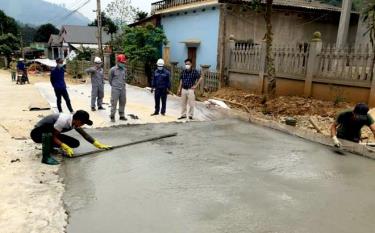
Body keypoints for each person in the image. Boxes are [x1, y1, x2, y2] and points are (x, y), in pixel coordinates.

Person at [30, 110, 111, 165]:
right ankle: (46, 158)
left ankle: (50, 148)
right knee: (49, 132)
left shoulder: (74, 122)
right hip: (37, 134)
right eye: (82, 123)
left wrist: (97, 144)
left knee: (74, 143)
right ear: (77, 120)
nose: (82, 125)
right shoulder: (63, 120)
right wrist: (64, 146)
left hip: (50, 134)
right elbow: (53, 136)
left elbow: (84, 135)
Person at [109, 54, 127, 122]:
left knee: (123, 102)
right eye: (122, 62)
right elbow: (110, 80)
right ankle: (112, 116)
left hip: (122, 88)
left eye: (123, 62)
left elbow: (125, 78)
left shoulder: (124, 69)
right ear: (118, 61)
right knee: (114, 102)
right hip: (115, 89)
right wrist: (114, 86)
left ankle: (121, 115)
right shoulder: (112, 70)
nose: (123, 63)